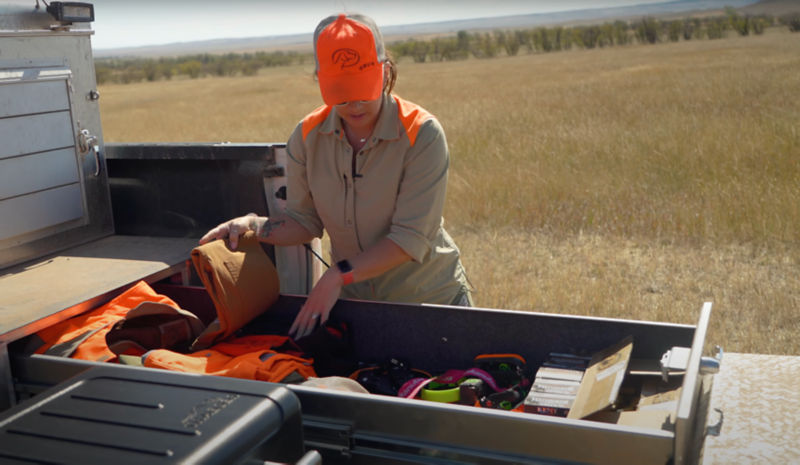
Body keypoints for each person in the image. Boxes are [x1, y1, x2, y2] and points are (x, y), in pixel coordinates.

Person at [200, 13, 472, 339]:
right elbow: (305, 222)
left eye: (362, 89)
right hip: (357, 307)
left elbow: (409, 238)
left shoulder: (421, 133)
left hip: (429, 300)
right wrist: (253, 226)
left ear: (385, 72)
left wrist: (336, 276)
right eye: (340, 92)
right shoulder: (307, 137)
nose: (353, 104)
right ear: (320, 80)